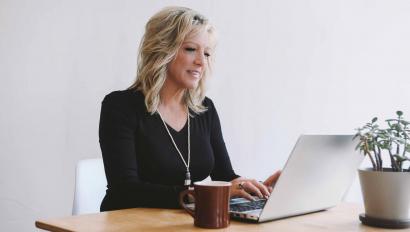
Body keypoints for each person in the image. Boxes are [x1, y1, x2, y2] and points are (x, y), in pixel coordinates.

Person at [99, 6, 281, 212]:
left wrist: (254, 188)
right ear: (163, 49)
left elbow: (224, 176)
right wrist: (204, 194)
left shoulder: (205, 109)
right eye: (190, 49)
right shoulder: (120, 107)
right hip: (126, 223)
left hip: (181, 221)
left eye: (207, 53)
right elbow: (126, 190)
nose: (201, 62)